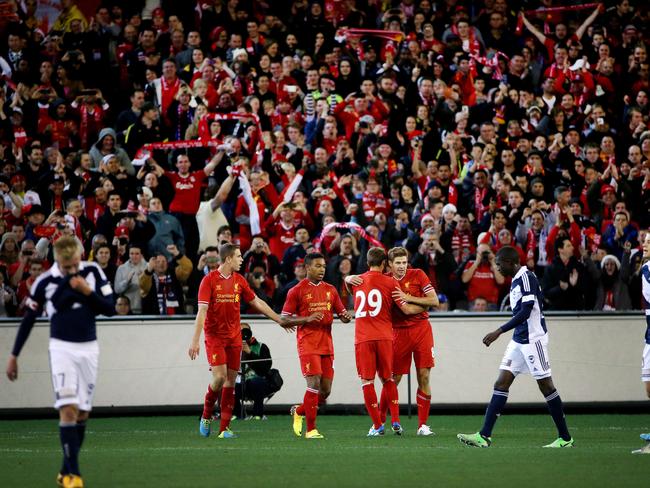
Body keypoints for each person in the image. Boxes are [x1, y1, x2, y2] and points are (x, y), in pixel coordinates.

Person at [5, 236, 115, 488]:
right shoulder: (46, 282)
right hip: (61, 348)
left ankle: (65, 469)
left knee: (83, 412)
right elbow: (30, 318)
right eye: (67, 267)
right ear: (57, 261)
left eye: (75, 264)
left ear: (80, 257)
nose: (73, 270)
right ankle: (73, 476)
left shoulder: (93, 271)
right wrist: (14, 355)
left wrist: (87, 291)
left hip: (89, 348)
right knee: (68, 408)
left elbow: (109, 308)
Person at [188, 243, 320, 439]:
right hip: (215, 337)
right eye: (239, 256)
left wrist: (279, 320)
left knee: (230, 382)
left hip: (234, 337)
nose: (242, 260)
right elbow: (202, 311)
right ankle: (206, 415)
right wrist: (195, 341)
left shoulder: (239, 280)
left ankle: (224, 429)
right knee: (219, 378)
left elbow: (257, 302)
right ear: (228, 259)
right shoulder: (209, 281)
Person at [457, 246, 573, 448]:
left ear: (511, 262)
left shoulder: (526, 278)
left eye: (499, 264)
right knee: (501, 383)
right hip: (519, 340)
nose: (498, 268)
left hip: (533, 340)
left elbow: (526, 312)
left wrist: (498, 331)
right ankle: (484, 436)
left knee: (546, 386)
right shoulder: (515, 280)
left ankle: (565, 438)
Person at [347, 246, 439, 435]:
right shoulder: (386, 280)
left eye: (404, 262)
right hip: (396, 333)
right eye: (398, 263)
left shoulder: (418, 274)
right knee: (392, 379)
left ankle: (422, 425)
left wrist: (408, 297)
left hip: (421, 330)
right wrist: (348, 278)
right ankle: (380, 422)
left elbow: (434, 300)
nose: (402, 266)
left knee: (424, 376)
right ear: (388, 264)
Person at [282, 252, 352, 439]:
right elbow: (283, 319)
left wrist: (346, 318)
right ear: (307, 267)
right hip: (308, 343)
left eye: (323, 266)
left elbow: (342, 314)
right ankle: (311, 430)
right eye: (318, 266)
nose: (322, 269)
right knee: (313, 382)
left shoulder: (331, 289)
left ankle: (299, 410)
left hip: (327, 345)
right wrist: (307, 319)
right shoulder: (296, 291)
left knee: (326, 390)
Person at [234, 323, 281, 420]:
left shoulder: (261, 347)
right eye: (240, 332)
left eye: (245, 331)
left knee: (257, 382)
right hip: (238, 381)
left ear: (250, 332)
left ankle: (258, 414)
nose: (243, 334)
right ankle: (237, 414)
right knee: (228, 384)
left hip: (258, 382)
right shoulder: (232, 348)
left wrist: (249, 353)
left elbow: (265, 368)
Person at [633, 233, 650, 454]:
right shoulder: (646, 270)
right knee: (648, 388)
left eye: (649, 241)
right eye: (644, 241)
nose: (644, 244)